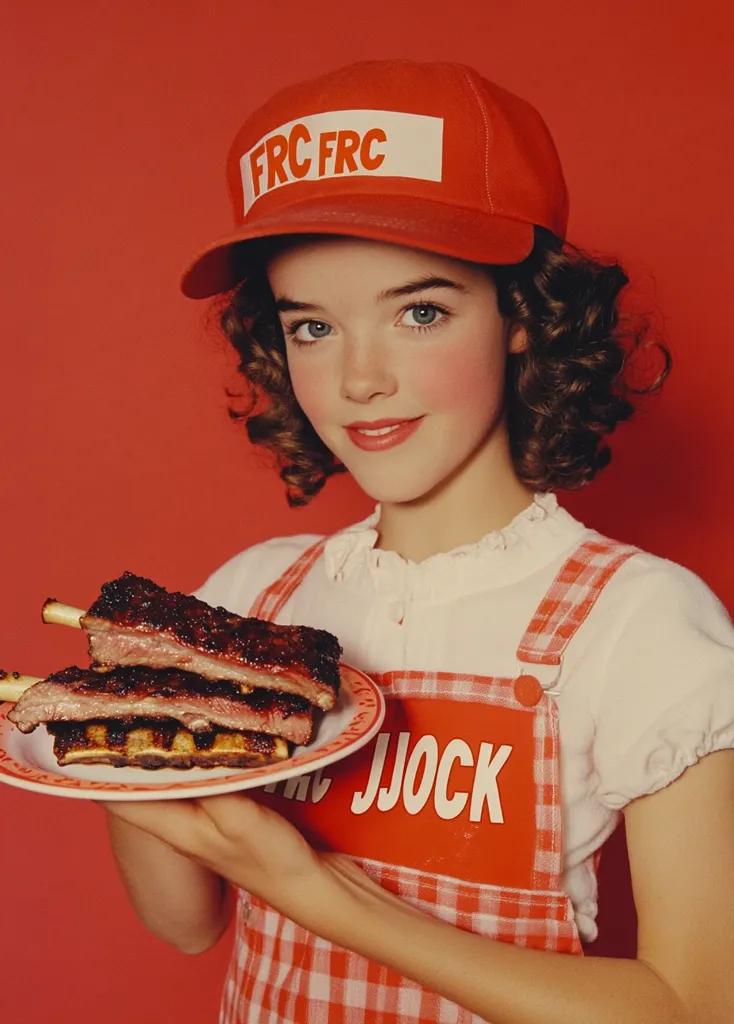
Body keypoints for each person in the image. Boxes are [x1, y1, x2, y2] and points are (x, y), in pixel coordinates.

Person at [102, 60, 734, 1023]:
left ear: (522, 314)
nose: (359, 380)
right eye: (312, 326)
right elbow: (184, 924)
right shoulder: (254, 597)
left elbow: (694, 1004)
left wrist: (320, 893)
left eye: (420, 311)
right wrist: (108, 737)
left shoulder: (637, 619)